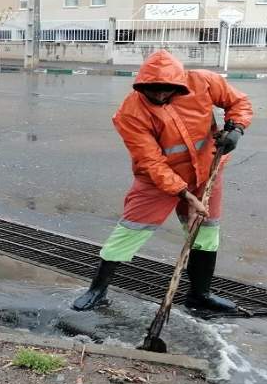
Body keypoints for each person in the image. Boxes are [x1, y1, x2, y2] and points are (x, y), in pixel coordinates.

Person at [73, 49, 253, 313]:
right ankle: (97, 290)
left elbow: (239, 103)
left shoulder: (203, 82)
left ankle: (200, 294)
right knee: (130, 231)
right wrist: (185, 195)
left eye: (166, 89)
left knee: (206, 232)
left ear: (179, 84)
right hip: (157, 181)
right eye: (152, 90)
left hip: (205, 172)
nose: (158, 95)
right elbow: (151, 162)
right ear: (141, 85)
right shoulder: (130, 113)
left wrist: (236, 128)